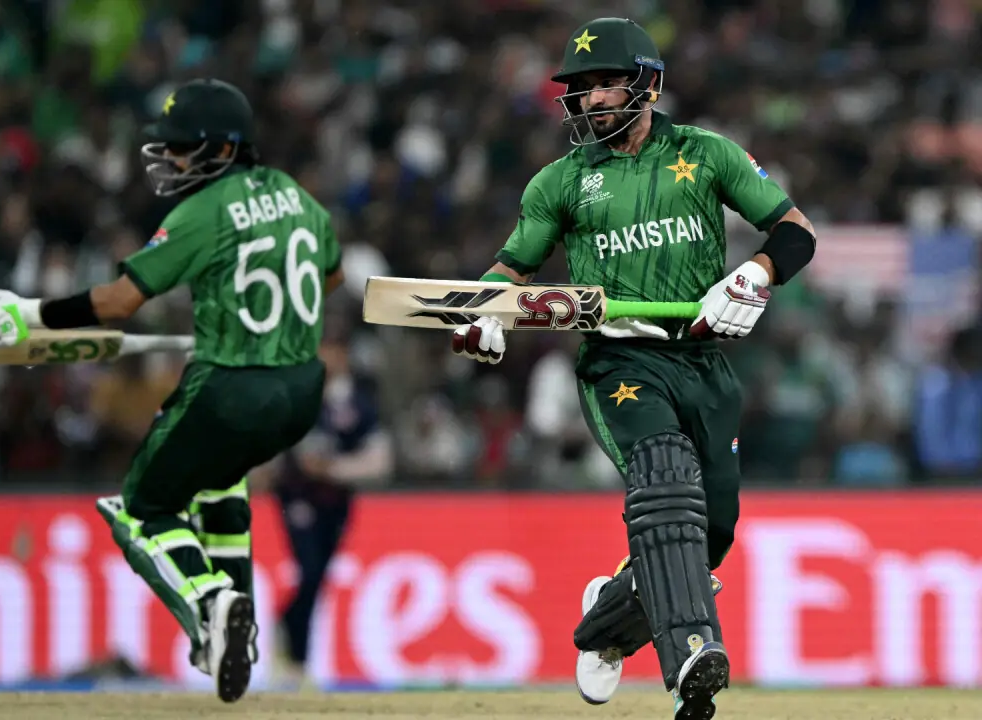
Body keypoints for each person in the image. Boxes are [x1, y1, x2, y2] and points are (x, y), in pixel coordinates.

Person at [449, 17, 816, 720]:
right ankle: (691, 662)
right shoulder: (560, 181)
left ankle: (609, 620)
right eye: (580, 88)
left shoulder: (707, 153)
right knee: (667, 478)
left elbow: (795, 230)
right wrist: (482, 313)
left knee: (710, 535)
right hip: (619, 359)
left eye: (604, 84)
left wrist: (755, 276)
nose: (589, 99)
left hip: (703, 359)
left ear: (647, 84)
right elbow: (511, 271)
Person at [0, 78, 344, 703]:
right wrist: (255, 322)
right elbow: (329, 278)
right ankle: (236, 622)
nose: (170, 160)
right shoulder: (295, 194)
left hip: (229, 389)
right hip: (301, 392)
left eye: (183, 148)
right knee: (220, 478)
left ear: (224, 150)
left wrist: (28, 315)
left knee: (142, 508)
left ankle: (210, 601)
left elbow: (118, 303)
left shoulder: (202, 211)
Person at [275, 336, 392, 686]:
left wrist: (335, 469)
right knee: (310, 570)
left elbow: (380, 460)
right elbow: (286, 446)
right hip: (298, 495)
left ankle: (292, 635)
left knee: (318, 577)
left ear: (343, 356)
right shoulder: (299, 395)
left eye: (332, 352)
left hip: (337, 500)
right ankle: (296, 653)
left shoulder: (358, 402)